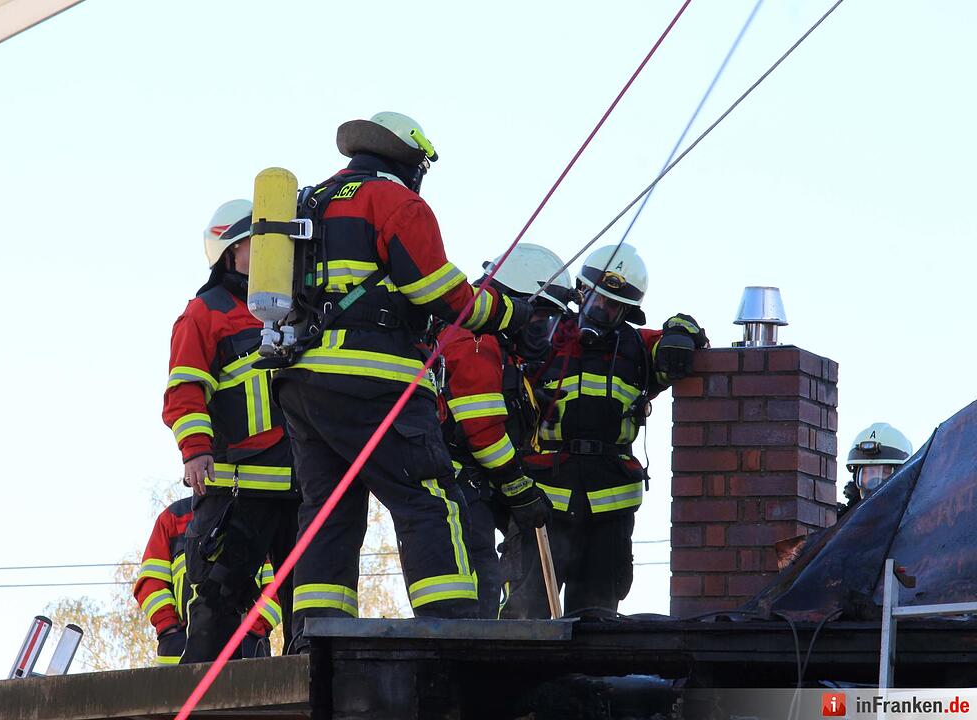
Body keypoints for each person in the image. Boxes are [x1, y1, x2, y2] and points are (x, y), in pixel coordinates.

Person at [271, 112, 530, 643]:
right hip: (376, 378)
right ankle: (451, 626)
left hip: (303, 380)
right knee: (428, 497)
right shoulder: (395, 201)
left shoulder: (312, 201)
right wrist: (506, 314)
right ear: (412, 162)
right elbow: (441, 293)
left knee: (327, 511)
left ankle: (316, 634)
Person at [500, 243, 708, 619]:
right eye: (596, 298)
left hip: (610, 513)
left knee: (597, 621)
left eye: (613, 305)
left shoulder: (639, 349)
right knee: (525, 616)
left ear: (628, 311)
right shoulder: (544, 336)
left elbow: (683, 342)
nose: (601, 309)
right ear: (581, 292)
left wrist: (682, 332)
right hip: (544, 503)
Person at [162, 199, 299, 662]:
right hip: (240, 486)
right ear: (230, 251)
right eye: (258, 243)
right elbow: (184, 390)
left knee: (311, 598)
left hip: (303, 484)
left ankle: (311, 685)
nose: (271, 253)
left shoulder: (298, 307)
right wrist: (195, 450)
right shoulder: (205, 313)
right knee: (218, 599)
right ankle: (198, 687)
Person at [436, 243, 574, 618]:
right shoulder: (475, 340)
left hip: (480, 485)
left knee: (508, 576)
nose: (543, 332)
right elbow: (481, 429)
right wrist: (519, 487)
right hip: (462, 486)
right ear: (514, 302)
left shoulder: (497, 346)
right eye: (539, 319)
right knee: (479, 585)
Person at [132, 498, 281, 664]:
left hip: (244, 644)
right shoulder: (173, 517)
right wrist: (169, 627)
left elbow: (278, 586)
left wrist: (252, 629)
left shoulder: (256, 514)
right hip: (180, 646)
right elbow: (151, 582)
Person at [838, 422, 913, 515]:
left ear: (901, 476)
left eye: (885, 472)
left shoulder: (916, 518)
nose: (875, 480)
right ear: (857, 477)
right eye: (869, 472)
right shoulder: (843, 521)